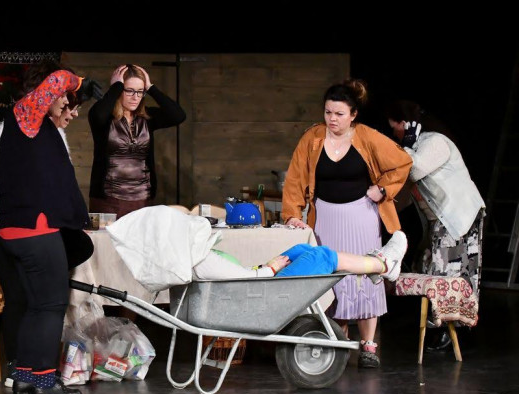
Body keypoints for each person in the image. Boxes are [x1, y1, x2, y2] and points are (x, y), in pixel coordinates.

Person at [281, 79, 413, 368]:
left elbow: (402, 162)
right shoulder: (313, 138)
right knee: (332, 278)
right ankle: (337, 341)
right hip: (325, 218)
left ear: (353, 114)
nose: (332, 119)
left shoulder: (367, 136)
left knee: (365, 275)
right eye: (328, 112)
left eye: (339, 114)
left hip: (361, 217)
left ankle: (368, 346)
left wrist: (383, 189)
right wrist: (292, 214)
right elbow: (295, 178)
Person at [0, 63, 93, 394]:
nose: (64, 102)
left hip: (23, 229)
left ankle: (24, 376)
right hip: (34, 229)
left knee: (36, 306)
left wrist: (71, 101)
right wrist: (78, 82)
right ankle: (46, 381)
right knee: (51, 305)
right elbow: (59, 80)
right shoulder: (25, 116)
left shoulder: (38, 127)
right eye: (63, 97)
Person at [386, 100, 485, 350]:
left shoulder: (434, 142)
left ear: (406, 124)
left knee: (450, 272)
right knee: (441, 269)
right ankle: (449, 328)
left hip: (458, 215)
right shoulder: (415, 148)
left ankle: (450, 329)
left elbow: (413, 171)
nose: (394, 134)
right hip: (442, 218)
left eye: (395, 128)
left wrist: (406, 147)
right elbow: (405, 191)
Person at [88, 64, 186, 218]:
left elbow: (178, 115)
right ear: (119, 89)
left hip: (143, 199)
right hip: (108, 200)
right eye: (129, 90)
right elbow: (97, 115)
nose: (135, 97)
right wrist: (116, 87)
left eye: (140, 91)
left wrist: (151, 87)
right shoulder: (106, 118)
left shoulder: (147, 117)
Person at [194, 230, 408, 283]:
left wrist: (263, 267)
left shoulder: (199, 253)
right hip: (256, 288)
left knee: (301, 249)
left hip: (253, 279)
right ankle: (383, 265)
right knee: (321, 256)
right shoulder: (201, 259)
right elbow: (238, 281)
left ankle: (374, 266)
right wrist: (269, 269)